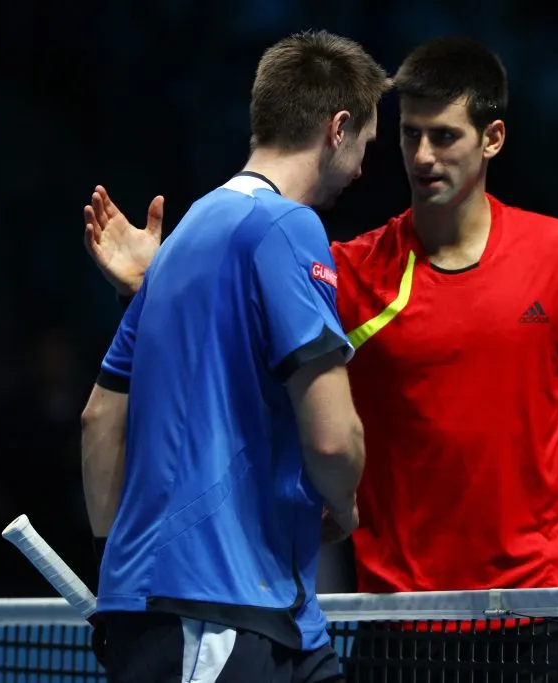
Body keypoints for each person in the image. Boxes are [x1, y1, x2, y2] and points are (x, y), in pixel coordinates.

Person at [84, 36, 558, 680]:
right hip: (406, 622)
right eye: (408, 135)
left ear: (493, 139)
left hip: (550, 610)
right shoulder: (343, 272)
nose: (422, 155)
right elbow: (221, 332)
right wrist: (152, 284)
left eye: (445, 135)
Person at [79, 30, 388, 683]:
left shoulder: (182, 240)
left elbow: (101, 419)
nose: (363, 167)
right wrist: (347, 500)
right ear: (338, 128)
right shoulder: (289, 226)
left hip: (268, 616)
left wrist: (122, 570)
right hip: (215, 611)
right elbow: (333, 441)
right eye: (365, 142)